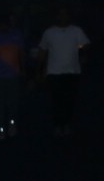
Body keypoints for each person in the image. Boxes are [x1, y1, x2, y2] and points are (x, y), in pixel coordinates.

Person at [38, 8, 91, 137]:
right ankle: (58, 125)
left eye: (65, 14)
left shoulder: (76, 30)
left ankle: (66, 124)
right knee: (56, 100)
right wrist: (39, 69)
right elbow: (43, 51)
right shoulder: (49, 32)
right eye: (60, 14)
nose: (63, 17)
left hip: (72, 71)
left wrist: (82, 52)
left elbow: (86, 44)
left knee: (69, 100)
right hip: (54, 72)